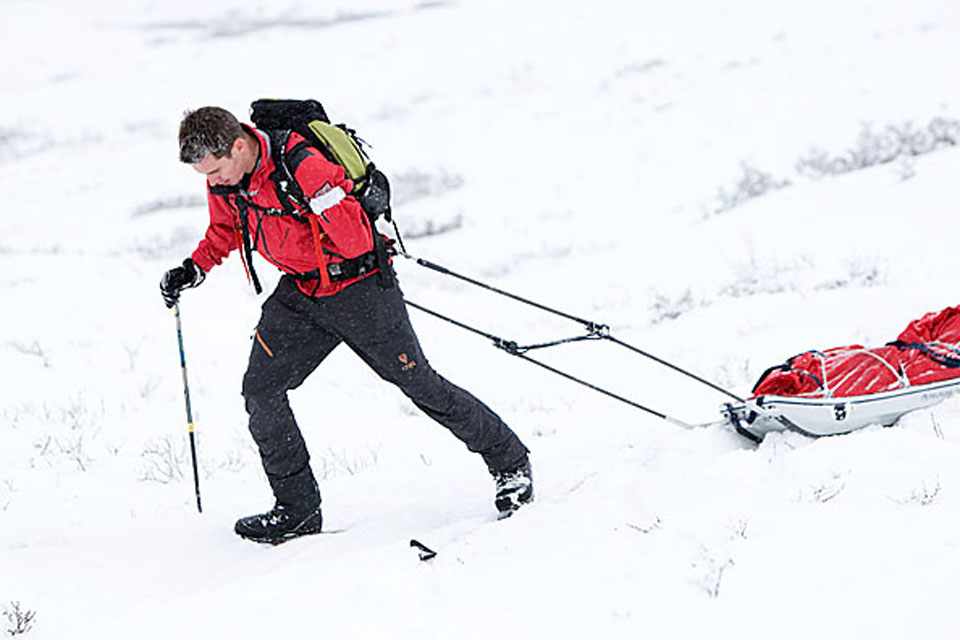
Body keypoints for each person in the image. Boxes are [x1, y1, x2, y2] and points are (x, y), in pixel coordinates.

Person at [160, 106, 532, 544]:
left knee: (419, 384)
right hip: (301, 293)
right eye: (206, 175)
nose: (215, 181)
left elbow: (355, 241)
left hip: (360, 288)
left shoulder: (302, 165)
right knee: (261, 392)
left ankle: (510, 463)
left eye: (218, 170)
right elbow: (225, 230)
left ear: (239, 144)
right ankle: (297, 510)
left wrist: (321, 203)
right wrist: (193, 268)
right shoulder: (227, 183)